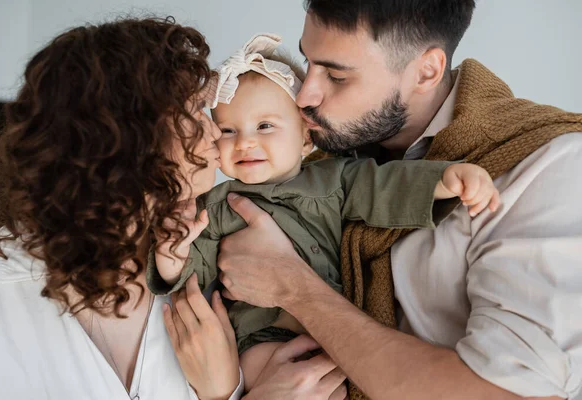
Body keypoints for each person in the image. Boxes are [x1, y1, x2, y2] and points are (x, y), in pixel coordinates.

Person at [212, 1, 582, 399]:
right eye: (308, 63)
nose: (304, 95)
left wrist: (296, 290)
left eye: (336, 75)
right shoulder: (313, 165)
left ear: (426, 71)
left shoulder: (547, 166)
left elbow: (505, 393)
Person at [0, 17, 348, 400]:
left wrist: (226, 393)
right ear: (126, 136)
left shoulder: (226, 261)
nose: (214, 133)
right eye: (192, 113)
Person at [148, 33, 501, 390]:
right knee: (262, 373)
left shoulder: (335, 177)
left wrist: (445, 179)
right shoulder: (216, 204)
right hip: (259, 336)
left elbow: (387, 187)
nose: (246, 142)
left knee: (341, 380)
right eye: (227, 130)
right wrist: (170, 256)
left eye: (265, 126)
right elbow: (194, 273)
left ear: (306, 137)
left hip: (334, 328)